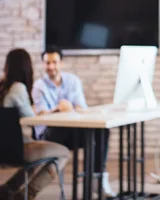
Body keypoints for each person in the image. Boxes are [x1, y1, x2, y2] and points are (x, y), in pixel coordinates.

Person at [31, 46, 115, 198]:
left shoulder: (73, 81)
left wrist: (70, 109)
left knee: (101, 131)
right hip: (49, 133)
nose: (50, 66)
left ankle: (97, 178)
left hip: (71, 130)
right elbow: (41, 115)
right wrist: (58, 109)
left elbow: (81, 107)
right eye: (47, 63)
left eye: (54, 62)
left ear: (61, 63)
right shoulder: (39, 86)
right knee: (70, 130)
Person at [0, 48, 70, 200]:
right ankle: (27, 194)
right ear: (26, 67)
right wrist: (56, 110)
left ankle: (8, 189)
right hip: (16, 149)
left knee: (37, 154)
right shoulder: (18, 88)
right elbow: (33, 120)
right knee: (64, 153)